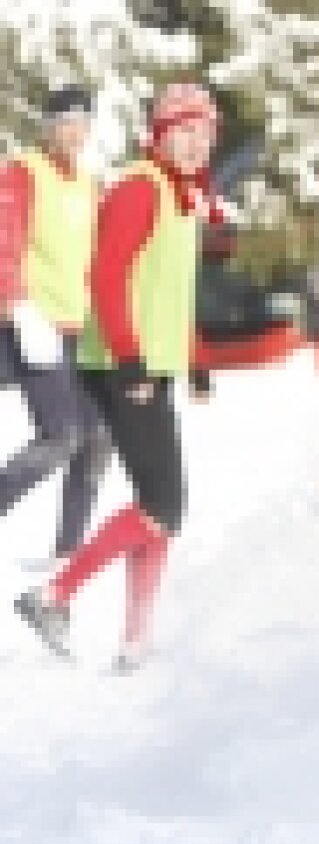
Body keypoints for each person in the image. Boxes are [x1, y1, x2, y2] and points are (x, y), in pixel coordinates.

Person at [15, 83, 224, 672]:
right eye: (183, 133)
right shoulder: (139, 188)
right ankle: (51, 596)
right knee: (164, 504)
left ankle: (135, 641)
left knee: (162, 507)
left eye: (205, 135)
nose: (194, 145)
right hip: (119, 366)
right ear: (159, 136)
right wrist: (131, 358)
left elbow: (171, 292)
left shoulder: (182, 196)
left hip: (146, 366)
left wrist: (195, 359)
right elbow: (107, 279)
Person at [0, 87, 111, 575]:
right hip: (33, 322)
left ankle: (67, 555)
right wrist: (16, 304)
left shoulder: (88, 184)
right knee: (62, 436)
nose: (75, 131)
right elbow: (4, 241)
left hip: (80, 326)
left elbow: (98, 257)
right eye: (66, 120)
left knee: (99, 436)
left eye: (83, 121)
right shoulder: (24, 172)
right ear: (48, 125)